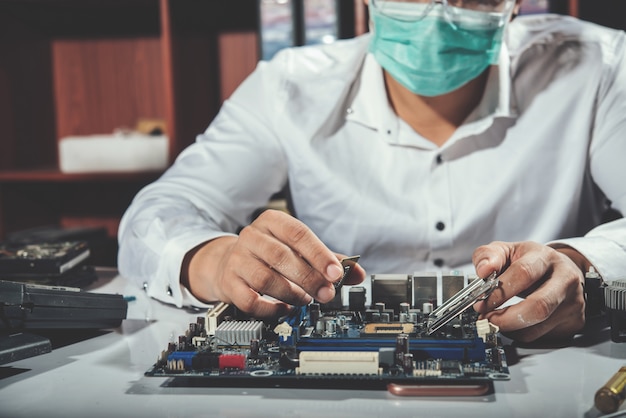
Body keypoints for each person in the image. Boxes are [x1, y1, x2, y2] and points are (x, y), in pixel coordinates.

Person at [118, 0, 626, 343]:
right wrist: (217, 260)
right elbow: (157, 216)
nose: (438, 10)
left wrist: (580, 262)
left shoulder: (599, 67)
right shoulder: (287, 88)